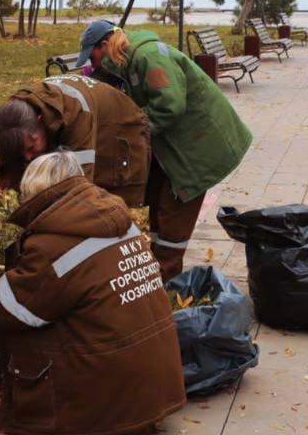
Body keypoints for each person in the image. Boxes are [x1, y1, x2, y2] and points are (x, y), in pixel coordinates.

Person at [0, 151, 185, 435]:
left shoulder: (54, 245)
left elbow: (5, 308)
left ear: (36, 194)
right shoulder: (114, 218)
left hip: (103, 412)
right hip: (155, 392)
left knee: (28, 326)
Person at [76, 20, 252, 280]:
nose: (93, 64)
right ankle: (159, 273)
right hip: (176, 144)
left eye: (92, 57)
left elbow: (170, 106)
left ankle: (165, 281)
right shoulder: (126, 58)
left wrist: (132, 129)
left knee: (174, 214)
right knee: (159, 205)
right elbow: (109, 82)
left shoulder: (149, 57)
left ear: (104, 45)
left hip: (197, 146)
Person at [0, 73, 150, 206]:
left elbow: (79, 184)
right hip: (91, 117)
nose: (28, 157)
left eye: (31, 147)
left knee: (99, 204)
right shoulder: (14, 116)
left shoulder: (77, 114)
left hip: (122, 129)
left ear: (41, 120)